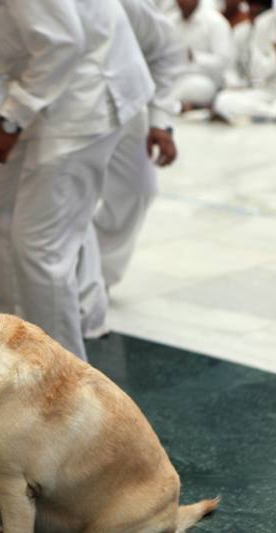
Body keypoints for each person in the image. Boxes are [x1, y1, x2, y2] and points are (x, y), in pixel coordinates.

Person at [0, 0, 154, 360]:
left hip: (89, 90)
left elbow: (63, 42)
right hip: (36, 91)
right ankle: (6, 348)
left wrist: (11, 121)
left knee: (40, 246)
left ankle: (61, 383)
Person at [79, 0, 187, 338]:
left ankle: (101, 274)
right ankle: (83, 293)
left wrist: (161, 121)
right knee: (71, 204)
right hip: (61, 110)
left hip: (125, 97)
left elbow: (167, 49)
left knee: (140, 189)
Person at [215, 0, 276, 122]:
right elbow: (258, 71)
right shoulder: (263, 23)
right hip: (266, 90)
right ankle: (270, 114)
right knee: (223, 101)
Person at [170, 0, 233, 110]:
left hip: (205, 81)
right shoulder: (170, 21)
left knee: (188, 87)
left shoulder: (215, 22)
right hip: (173, 77)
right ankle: (176, 107)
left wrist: (193, 56)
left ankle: (172, 107)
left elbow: (223, 62)